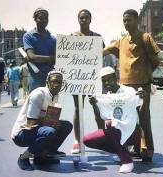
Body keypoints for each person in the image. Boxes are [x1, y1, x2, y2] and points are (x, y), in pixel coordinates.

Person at [103, 9, 160, 162]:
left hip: (142, 86)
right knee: (126, 118)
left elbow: (155, 61)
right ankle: (133, 148)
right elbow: (103, 51)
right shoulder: (121, 41)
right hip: (124, 88)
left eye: (129, 20)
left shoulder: (146, 37)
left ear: (136, 20)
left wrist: (144, 74)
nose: (126, 23)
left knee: (143, 117)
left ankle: (148, 150)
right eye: (124, 20)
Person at [83, 66, 144, 173]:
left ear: (116, 77)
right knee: (87, 140)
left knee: (111, 123)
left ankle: (126, 160)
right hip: (115, 133)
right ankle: (121, 150)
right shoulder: (106, 97)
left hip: (132, 133)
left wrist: (144, 98)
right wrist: (94, 105)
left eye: (109, 79)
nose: (107, 83)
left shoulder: (129, 91)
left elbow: (141, 112)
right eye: (104, 81)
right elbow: (100, 120)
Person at [11, 70, 73, 171]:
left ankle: (41, 157)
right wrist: (52, 123)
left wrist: (54, 122)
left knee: (66, 126)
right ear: (47, 82)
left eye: (59, 82)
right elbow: (31, 122)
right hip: (21, 133)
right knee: (49, 131)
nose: (57, 85)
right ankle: (24, 157)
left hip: (37, 129)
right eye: (54, 81)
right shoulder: (38, 94)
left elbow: (48, 117)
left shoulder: (55, 95)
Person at [71, 9, 105, 154]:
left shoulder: (97, 37)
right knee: (78, 109)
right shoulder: (71, 37)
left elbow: (101, 55)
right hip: (77, 78)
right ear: (78, 20)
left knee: (98, 109)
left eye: (86, 18)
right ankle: (77, 140)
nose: (83, 20)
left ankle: (103, 137)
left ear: (91, 20)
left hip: (93, 77)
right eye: (81, 18)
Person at [23, 8, 56, 93]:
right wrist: (52, 58)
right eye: (41, 18)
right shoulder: (28, 36)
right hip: (36, 78)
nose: (44, 20)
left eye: (46, 18)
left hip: (51, 78)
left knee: (51, 105)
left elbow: (59, 58)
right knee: (35, 103)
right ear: (35, 19)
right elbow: (32, 56)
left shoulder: (53, 39)